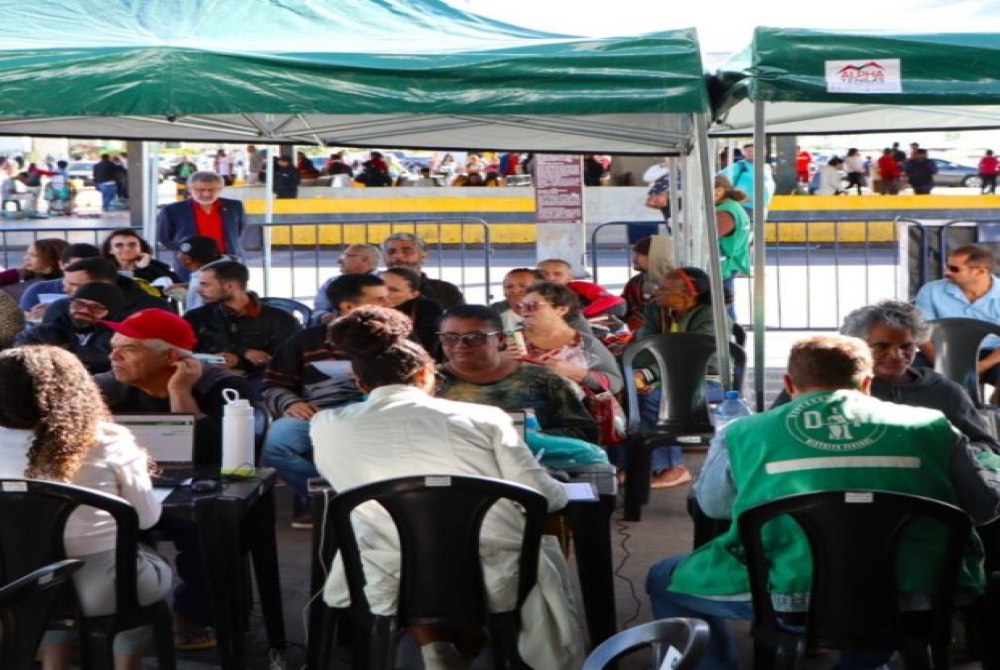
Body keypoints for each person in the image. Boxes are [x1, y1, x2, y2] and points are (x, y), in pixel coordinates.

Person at [646, 334, 1000, 670]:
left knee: (663, 577)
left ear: (789, 384)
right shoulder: (933, 426)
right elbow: (984, 509)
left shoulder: (742, 432)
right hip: (922, 592)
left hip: (787, 594)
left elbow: (714, 506)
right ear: (867, 383)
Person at [310, 306, 586, 670]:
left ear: (360, 385)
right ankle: (468, 646)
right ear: (426, 374)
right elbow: (545, 498)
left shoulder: (325, 424)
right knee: (532, 539)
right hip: (491, 569)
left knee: (398, 539)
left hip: (388, 569)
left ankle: (437, 647)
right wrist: (560, 486)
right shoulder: (486, 418)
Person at [0, 346, 171, 670]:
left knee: (43, 570)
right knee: (142, 562)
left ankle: (54, 663)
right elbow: (147, 519)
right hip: (102, 587)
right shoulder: (109, 440)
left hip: (16, 585)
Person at [262, 273, 389, 527]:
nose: (389, 305)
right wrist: (291, 403)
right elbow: (273, 384)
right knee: (276, 444)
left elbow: (416, 382)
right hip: (318, 411)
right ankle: (331, 496)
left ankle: (351, 501)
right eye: (379, 300)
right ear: (349, 307)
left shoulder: (397, 336)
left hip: (377, 410)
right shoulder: (307, 339)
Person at [437, 304, 599, 444]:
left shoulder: (542, 380)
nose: (461, 344)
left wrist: (527, 438)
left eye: (475, 337)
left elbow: (586, 433)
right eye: (449, 337)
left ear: (501, 339)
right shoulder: (430, 382)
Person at [631, 267, 730, 488]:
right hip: (667, 377)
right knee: (625, 394)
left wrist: (648, 374)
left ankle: (672, 467)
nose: (656, 292)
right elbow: (643, 348)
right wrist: (639, 374)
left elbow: (692, 356)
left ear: (689, 294)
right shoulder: (658, 311)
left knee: (656, 398)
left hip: (706, 379)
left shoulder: (711, 317)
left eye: (665, 289)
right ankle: (629, 465)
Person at [183, 260, 302, 396]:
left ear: (229, 286)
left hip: (259, 381)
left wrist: (240, 361)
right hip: (208, 378)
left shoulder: (280, 319)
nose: (198, 290)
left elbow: (289, 361)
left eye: (205, 284)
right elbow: (182, 353)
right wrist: (212, 360)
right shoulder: (196, 317)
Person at [915, 244, 1000, 399]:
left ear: (980, 272)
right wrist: (943, 364)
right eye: (947, 266)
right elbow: (920, 334)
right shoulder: (930, 291)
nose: (946, 272)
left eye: (954, 269)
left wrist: (982, 366)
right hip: (942, 352)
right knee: (904, 373)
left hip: (993, 356)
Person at [517, 281, 623, 395]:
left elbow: (615, 384)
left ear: (562, 309)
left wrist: (576, 372)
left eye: (533, 305)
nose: (524, 310)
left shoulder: (585, 342)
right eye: (522, 306)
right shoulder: (511, 340)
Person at [14, 281, 127, 373]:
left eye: (96, 308)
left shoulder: (121, 339)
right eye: (78, 304)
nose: (84, 310)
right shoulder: (39, 333)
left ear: (111, 313)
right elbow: (21, 359)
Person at [155, 171, 247, 279]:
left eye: (211, 190)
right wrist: (186, 248)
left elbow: (239, 231)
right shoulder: (172, 210)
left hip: (228, 264)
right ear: (189, 189)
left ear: (220, 189)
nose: (206, 194)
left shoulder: (235, 206)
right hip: (191, 266)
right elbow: (163, 238)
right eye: (200, 190)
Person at [41, 257, 170, 328]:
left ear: (104, 284)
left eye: (75, 285)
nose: (65, 290)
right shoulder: (60, 308)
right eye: (65, 283)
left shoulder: (151, 310)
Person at [382, 232, 465, 309]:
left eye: (407, 251)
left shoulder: (446, 291)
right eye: (391, 252)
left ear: (423, 256)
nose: (398, 256)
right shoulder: (375, 289)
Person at [312, 243, 382, 325]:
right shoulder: (332, 282)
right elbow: (320, 310)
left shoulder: (386, 280)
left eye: (346, 256)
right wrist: (325, 317)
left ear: (365, 259)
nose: (339, 261)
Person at [536, 258, 626, 321]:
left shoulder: (580, 288)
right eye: (544, 273)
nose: (550, 278)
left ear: (570, 277)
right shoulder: (530, 290)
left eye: (557, 274)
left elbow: (615, 302)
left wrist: (581, 315)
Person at [166, 235, 238, 312]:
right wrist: (187, 286)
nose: (176, 255)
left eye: (178, 253)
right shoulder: (226, 270)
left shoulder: (200, 285)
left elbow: (195, 313)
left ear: (188, 260)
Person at [381, 266, 444, 354]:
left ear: (413, 295)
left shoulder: (428, 308)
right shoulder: (365, 302)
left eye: (393, 290)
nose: (384, 293)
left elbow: (426, 347)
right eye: (380, 286)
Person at [714, 175, 751, 320]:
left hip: (724, 266)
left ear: (719, 190)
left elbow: (708, 237)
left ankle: (730, 334)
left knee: (723, 312)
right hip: (732, 262)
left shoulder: (725, 212)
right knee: (726, 308)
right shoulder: (734, 207)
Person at [101, 228, 178, 285]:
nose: (127, 249)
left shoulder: (159, 267)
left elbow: (178, 289)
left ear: (141, 248)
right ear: (110, 250)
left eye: (132, 244)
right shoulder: (103, 269)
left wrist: (145, 268)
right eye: (119, 245)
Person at [718, 142, 774, 220]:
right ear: (743, 153)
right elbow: (719, 177)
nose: (752, 153)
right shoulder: (739, 166)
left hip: (762, 207)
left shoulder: (766, 167)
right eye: (749, 151)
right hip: (744, 206)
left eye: (754, 151)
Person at [0, 237, 68, 290]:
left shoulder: (64, 284)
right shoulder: (28, 275)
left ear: (51, 260)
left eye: (33, 255)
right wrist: (17, 272)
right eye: (27, 254)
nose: (25, 258)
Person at [491, 267, 544, 332]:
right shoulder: (493, 312)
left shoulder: (552, 313)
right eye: (509, 287)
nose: (516, 291)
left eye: (523, 286)